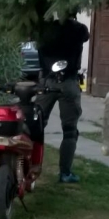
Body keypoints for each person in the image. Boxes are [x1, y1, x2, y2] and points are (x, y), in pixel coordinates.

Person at [35, 12, 90, 183]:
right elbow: (85, 36)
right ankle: (65, 173)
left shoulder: (45, 30)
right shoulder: (79, 29)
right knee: (70, 130)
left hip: (47, 81)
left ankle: (29, 165)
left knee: (35, 125)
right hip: (69, 82)